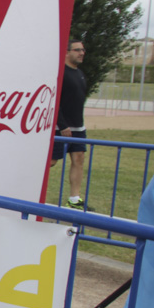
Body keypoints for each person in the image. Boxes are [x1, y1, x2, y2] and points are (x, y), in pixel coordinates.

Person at [51, 39, 89, 210]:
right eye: (77, 50)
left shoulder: (80, 74)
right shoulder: (60, 74)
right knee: (51, 162)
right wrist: (62, 125)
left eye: (83, 50)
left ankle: (74, 199)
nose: (81, 53)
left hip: (78, 128)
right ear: (67, 52)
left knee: (79, 160)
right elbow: (54, 101)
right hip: (61, 128)